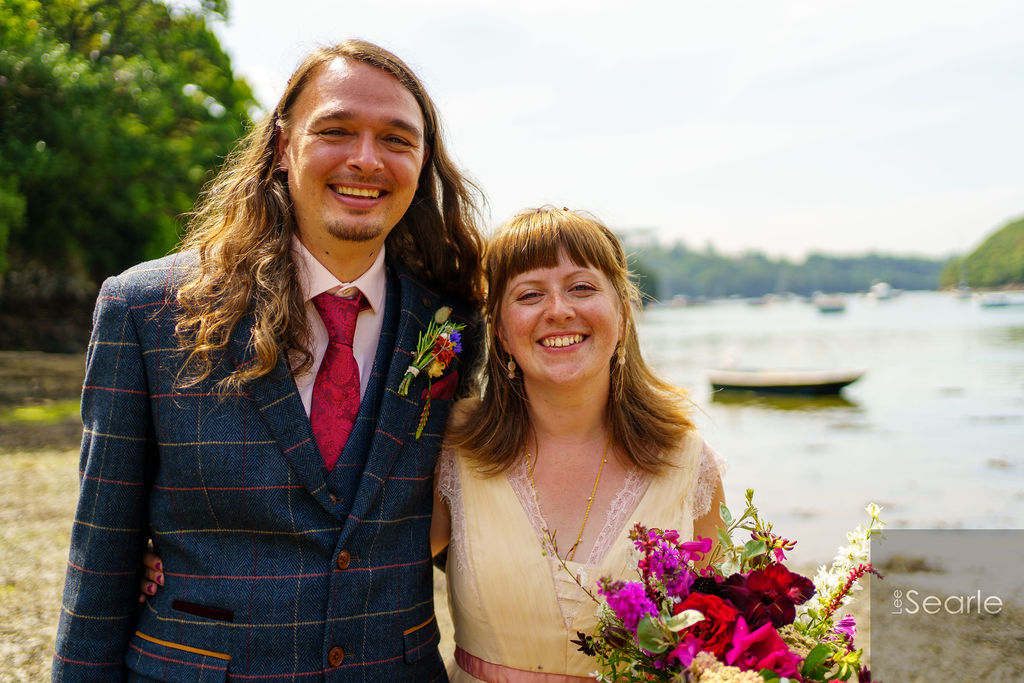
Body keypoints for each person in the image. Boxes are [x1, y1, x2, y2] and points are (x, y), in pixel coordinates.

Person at [53, 39, 484, 681]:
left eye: (397, 139)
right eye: (336, 130)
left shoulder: (452, 323)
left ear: (423, 163)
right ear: (283, 147)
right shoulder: (145, 311)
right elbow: (101, 550)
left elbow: (476, 511)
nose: (366, 159)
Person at [432, 207, 726, 680]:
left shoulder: (687, 463)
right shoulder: (452, 447)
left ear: (623, 313)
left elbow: (720, 638)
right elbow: (367, 572)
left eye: (582, 287)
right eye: (529, 294)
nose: (559, 310)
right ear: (501, 331)